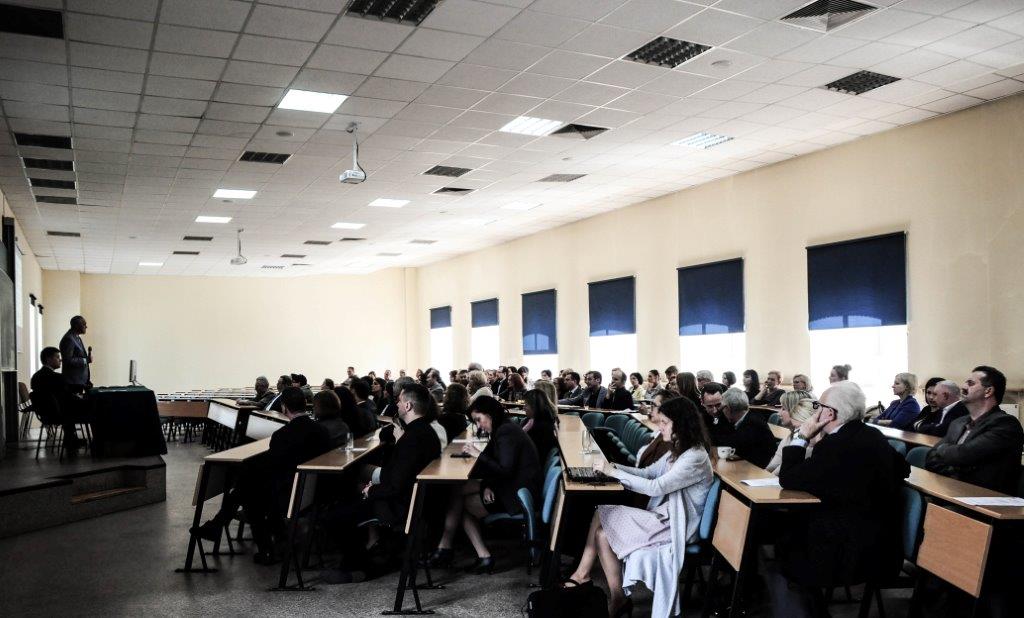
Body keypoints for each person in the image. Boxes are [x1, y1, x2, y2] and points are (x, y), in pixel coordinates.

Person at [768, 380, 909, 617]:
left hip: (853, 545)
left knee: (786, 543)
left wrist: (802, 437)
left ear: (830, 413)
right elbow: (903, 468)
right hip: (878, 536)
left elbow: (789, 479)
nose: (815, 411)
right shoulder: (871, 434)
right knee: (792, 533)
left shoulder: (835, 445)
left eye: (818, 406)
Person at [565, 397, 715, 618]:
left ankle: (583, 575)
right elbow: (648, 473)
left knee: (601, 512)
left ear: (681, 424)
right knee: (602, 535)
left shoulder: (694, 456)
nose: (659, 426)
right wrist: (612, 466)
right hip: (664, 516)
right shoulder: (679, 450)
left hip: (677, 526)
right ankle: (618, 598)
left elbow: (656, 487)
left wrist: (613, 472)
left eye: (664, 422)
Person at [192, 387, 330, 564]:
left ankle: (263, 548)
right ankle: (225, 528)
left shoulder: (283, 435)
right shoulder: (321, 431)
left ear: (284, 407)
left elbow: (272, 466)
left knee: (249, 493)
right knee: (248, 485)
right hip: (312, 491)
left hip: (290, 495)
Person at [321, 383, 442, 584]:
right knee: (346, 505)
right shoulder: (424, 432)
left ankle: (361, 567)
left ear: (408, 406)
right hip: (412, 500)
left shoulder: (412, 438)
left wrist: (371, 490)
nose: (397, 404)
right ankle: (359, 561)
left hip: (399, 505)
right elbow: (400, 474)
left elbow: (396, 484)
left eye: (399, 401)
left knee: (334, 517)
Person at [427, 396, 541, 573]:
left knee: (460, 502)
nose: (479, 425)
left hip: (517, 493)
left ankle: (459, 551)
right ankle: (449, 548)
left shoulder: (505, 432)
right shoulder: (504, 427)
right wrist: (487, 483)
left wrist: (477, 454)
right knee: (457, 491)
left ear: (490, 414)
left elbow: (505, 470)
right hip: (514, 486)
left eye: (479, 419)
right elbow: (501, 466)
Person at [925, 366, 1023, 493]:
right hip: (953, 490)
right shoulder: (958, 422)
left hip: (987, 498)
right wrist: (954, 469)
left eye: (970, 383)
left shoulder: (1006, 425)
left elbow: (963, 455)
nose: (963, 387)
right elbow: (930, 458)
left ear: (988, 391)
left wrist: (942, 450)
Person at [30, 347, 86, 453]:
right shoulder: (56, 377)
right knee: (90, 408)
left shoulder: (35, 377)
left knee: (67, 408)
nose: (60, 359)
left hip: (45, 413)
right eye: (57, 357)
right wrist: (81, 398)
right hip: (58, 413)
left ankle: (70, 438)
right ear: (48, 359)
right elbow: (67, 396)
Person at [711, 388, 776, 468]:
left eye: (722, 407)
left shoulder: (754, 425)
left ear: (728, 409)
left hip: (753, 469)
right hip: (742, 464)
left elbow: (732, 446)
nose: (721, 410)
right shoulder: (745, 418)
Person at [766, 390, 815, 474]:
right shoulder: (789, 437)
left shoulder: (809, 442)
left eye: (783, 409)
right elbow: (772, 466)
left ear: (797, 411)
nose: (778, 413)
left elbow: (781, 472)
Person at [522, 389, 558, 462]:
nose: (523, 408)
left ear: (534, 407)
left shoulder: (539, 427)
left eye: (526, 405)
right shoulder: (538, 421)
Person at [59, 315, 92, 392]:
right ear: (76, 325)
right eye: (84, 324)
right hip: (73, 383)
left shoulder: (76, 337)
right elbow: (68, 360)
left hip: (79, 382)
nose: (86, 327)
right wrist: (85, 360)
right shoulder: (69, 339)